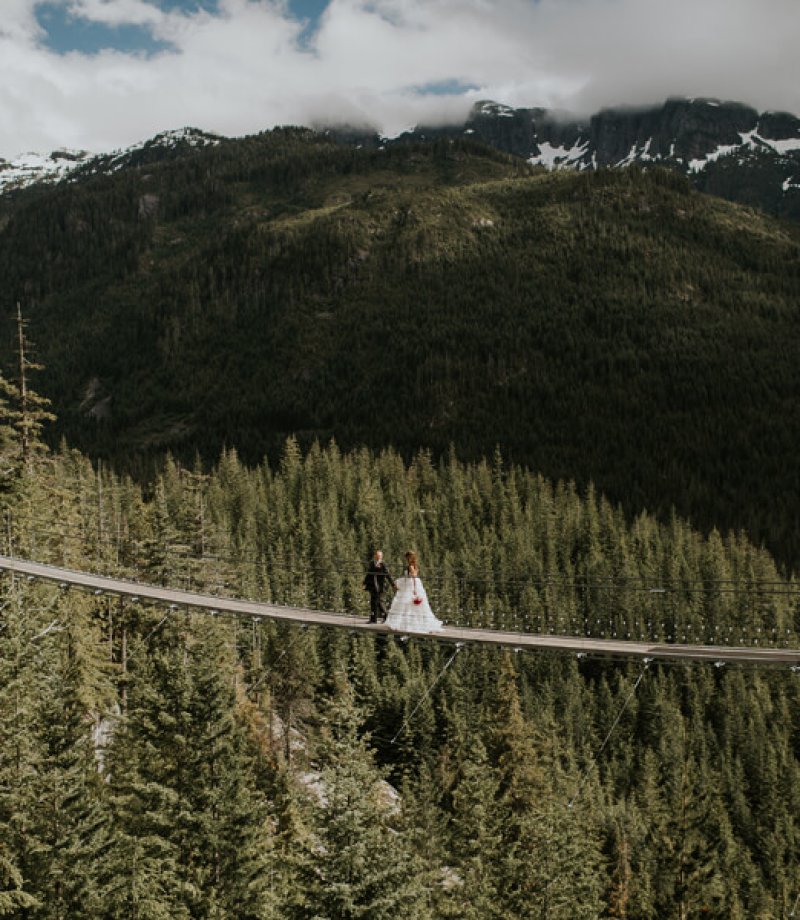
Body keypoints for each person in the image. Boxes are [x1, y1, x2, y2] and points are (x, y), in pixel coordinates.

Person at [385, 551, 443, 634]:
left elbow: (414, 576)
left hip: (411, 584)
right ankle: (412, 623)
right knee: (409, 605)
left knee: (405, 603)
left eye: (407, 557)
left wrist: (414, 589)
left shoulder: (410, 566)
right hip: (411, 583)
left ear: (409, 558)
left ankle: (405, 623)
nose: (406, 559)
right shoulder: (414, 565)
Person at [363, 549, 396, 623]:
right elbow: (369, 574)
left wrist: (393, 584)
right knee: (373, 603)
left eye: (379, 556)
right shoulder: (372, 563)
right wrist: (364, 582)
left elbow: (388, 575)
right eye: (377, 556)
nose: (378, 557)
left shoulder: (383, 564)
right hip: (372, 586)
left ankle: (386, 617)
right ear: (375, 556)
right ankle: (373, 619)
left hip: (380, 586)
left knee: (380, 603)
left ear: (381, 556)